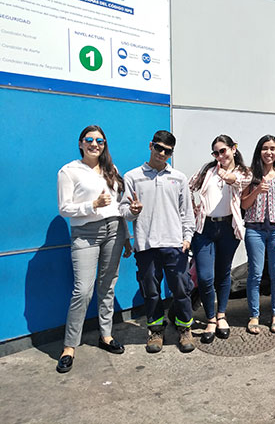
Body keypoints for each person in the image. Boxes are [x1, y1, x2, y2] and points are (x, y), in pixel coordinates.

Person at [56, 125, 132, 373]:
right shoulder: (69, 171)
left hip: (115, 230)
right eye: (89, 139)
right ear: (81, 143)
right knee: (83, 290)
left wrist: (127, 234)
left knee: (107, 285)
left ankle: (106, 335)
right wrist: (92, 205)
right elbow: (64, 208)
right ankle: (69, 346)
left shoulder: (111, 169)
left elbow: (118, 206)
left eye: (100, 141)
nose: (94, 144)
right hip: (85, 233)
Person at [120, 130, 196, 354]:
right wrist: (133, 211)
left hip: (174, 244)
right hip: (146, 244)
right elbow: (123, 211)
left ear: (171, 153)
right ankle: (155, 331)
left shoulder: (178, 178)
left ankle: (184, 329)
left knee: (181, 289)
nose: (162, 153)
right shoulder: (132, 176)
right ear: (150, 145)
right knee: (151, 292)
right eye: (158, 148)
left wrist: (187, 238)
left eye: (167, 151)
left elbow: (187, 211)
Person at [189, 135, 251, 344]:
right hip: (204, 228)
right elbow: (188, 187)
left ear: (234, 148)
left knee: (223, 273)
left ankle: (221, 315)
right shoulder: (207, 170)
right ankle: (210, 318)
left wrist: (228, 176)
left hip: (227, 228)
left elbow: (240, 182)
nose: (219, 156)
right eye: (215, 153)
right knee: (205, 277)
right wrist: (193, 207)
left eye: (223, 150)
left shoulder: (244, 172)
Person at [241, 135, 275, 334]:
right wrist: (257, 190)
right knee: (256, 273)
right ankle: (254, 315)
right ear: (259, 151)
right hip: (255, 229)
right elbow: (244, 204)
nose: (269, 152)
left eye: (273, 148)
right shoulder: (250, 174)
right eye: (265, 148)